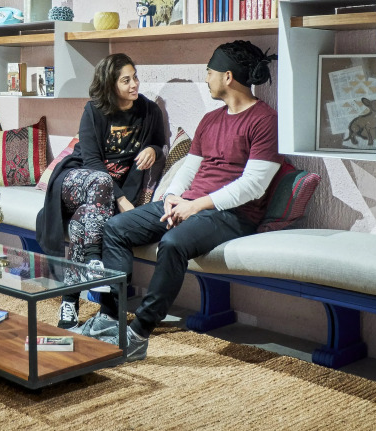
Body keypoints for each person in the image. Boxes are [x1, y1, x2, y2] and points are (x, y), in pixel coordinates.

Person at [73, 40, 280, 361]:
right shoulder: (210, 120)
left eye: (209, 73)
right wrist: (172, 196)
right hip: (189, 204)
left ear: (227, 77)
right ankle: (111, 316)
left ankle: (139, 332)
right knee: (116, 227)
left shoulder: (265, 120)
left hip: (232, 214)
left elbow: (253, 186)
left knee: (172, 243)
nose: (206, 79)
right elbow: (189, 169)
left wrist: (195, 205)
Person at [36, 53, 165, 328]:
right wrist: (121, 199)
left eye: (135, 77)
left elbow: (158, 143)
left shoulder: (149, 111)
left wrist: (153, 150)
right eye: (126, 80)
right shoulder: (94, 110)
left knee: (82, 223)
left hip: (99, 201)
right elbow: (92, 162)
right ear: (110, 84)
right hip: (76, 181)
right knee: (101, 180)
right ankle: (94, 259)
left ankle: (69, 302)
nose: (134, 84)